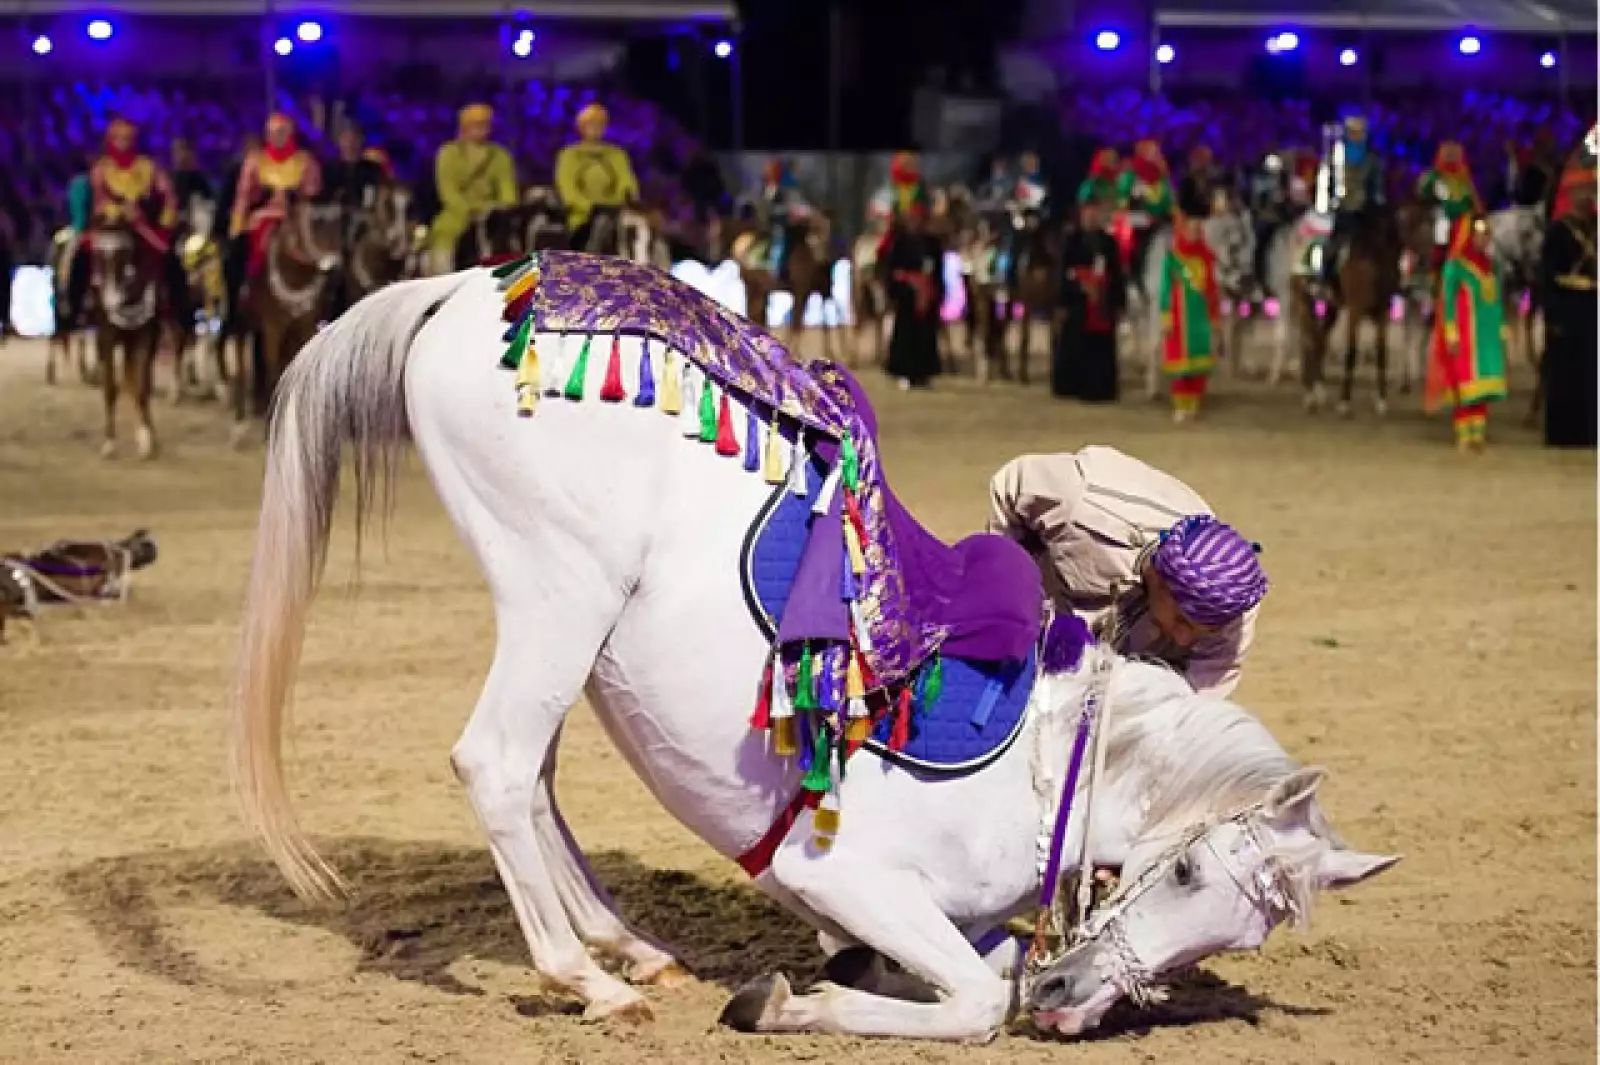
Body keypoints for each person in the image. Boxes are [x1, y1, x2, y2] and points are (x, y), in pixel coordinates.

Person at [987, 446, 1268, 697]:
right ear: (1160, 578)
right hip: (1049, 614)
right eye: (1182, 620)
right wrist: (1013, 595)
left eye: (1203, 632)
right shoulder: (1084, 504)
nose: (1184, 639)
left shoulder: (1230, 607)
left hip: (1128, 663)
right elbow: (1011, 484)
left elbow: (1199, 697)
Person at [1424, 214, 1507, 452]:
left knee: (1483, 386)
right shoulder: (1455, 267)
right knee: (1464, 383)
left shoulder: (1490, 266)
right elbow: (1448, 300)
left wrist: (1501, 325)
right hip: (1465, 334)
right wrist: (1450, 332)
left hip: (1486, 335)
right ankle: (1464, 434)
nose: (1483, 241)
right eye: (1479, 236)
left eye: (1486, 236)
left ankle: (1479, 434)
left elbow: (1496, 298)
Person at [1540, 128, 1597, 448]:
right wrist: (1553, 317)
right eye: (1582, 193)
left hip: (1591, 307)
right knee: (1565, 377)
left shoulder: (1594, 230)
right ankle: (1564, 434)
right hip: (1567, 308)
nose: (1586, 198)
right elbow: (1548, 277)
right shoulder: (1558, 232)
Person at [89, 118, 181, 311]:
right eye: (119, 138)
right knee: (79, 257)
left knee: (172, 261)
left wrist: (164, 224)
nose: (124, 143)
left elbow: (168, 198)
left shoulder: (148, 167)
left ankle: (177, 311)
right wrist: (118, 212)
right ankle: (77, 307)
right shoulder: (101, 169)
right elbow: (99, 201)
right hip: (111, 227)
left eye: (128, 138)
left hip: (146, 229)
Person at [229, 112, 323, 282]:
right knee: (241, 251)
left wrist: (295, 197)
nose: (276, 137)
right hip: (263, 216)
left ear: (290, 133)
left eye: (281, 132)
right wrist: (236, 226)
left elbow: (312, 192)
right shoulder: (256, 161)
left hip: (296, 215)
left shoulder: (305, 161)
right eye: (272, 133)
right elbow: (243, 196)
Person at [430, 103, 518, 273]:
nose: (482, 128)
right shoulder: (449, 153)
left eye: (486, 123)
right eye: (477, 124)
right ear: (464, 126)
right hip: (458, 214)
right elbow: (448, 192)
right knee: (445, 241)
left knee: (513, 243)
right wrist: (470, 210)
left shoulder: (500, 155)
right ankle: (442, 279)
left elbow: (508, 191)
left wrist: (501, 206)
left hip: (491, 214)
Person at [1052, 197, 1125, 402]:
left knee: (1101, 347)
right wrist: (1075, 288)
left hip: (1102, 300)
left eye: (1095, 214)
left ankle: (1101, 388)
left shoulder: (1109, 242)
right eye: (1088, 214)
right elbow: (1063, 271)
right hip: (1078, 301)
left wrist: (1118, 301)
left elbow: (1117, 274)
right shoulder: (1071, 240)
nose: (1092, 218)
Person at [1159, 211, 1222, 423]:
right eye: (1190, 230)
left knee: (1199, 364)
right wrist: (1166, 315)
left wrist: (1214, 318)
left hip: (1201, 318)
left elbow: (1212, 290)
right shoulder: (1173, 258)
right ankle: (1180, 404)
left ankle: (1194, 402)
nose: (1194, 234)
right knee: (1181, 364)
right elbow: (1165, 288)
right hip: (1180, 318)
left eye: (1197, 230)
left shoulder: (1207, 257)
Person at [554, 102, 640, 253]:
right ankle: (591, 259)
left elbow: (626, 181)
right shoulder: (569, 155)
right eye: (591, 124)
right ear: (581, 126)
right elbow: (567, 188)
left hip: (615, 212)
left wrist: (626, 197)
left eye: (600, 124)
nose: (595, 128)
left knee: (635, 226)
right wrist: (590, 207)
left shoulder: (617, 155)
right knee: (601, 221)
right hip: (582, 216)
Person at [882, 193, 943, 389]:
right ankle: (905, 372)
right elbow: (893, 269)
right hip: (907, 294)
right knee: (906, 333)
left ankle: (925, 373)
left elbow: (938, 270)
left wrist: (934, 290)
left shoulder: (932, 243)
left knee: (926, 334)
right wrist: (903, 285)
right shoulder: (900, 242)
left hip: (927, 293)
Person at [1322, 115, 1387, 288]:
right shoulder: (1336, 155)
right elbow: (1327, 180)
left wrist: (1376, 200)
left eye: (1360, 132)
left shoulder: (1372, 159)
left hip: (1366, 210)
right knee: (1332, 247)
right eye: (1354, 132)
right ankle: (1326, 281)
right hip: (1342, 209)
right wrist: (1330, 201)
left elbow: (1376, 184)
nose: (1357, 135)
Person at [1415, 141, 1482, 270]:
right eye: (1448, 154)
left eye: (1454, 154)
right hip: (1444, 213)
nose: (1451, 158)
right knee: (1442, 226)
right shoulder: (1435, 176)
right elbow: (1422, 190)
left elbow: (1474, 197)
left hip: (1464, 215)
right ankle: (1439, 259)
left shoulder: (1464, 177)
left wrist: (1478, 211)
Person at [1117, 139, 1174, 282]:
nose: (1155, 153)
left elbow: (1168, 201)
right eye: (1150, 150)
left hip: (1161, 224)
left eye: (1156, 150)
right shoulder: (1130, 175)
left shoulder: (1162, 177)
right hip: (1138, 224)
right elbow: (1122, 203)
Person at [323, 122, 388, 213]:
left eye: (354, 138)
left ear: (361, 140)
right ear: (339, 141)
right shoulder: (328, 170)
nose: (350, 143)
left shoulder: (372, 169)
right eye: (346, 139)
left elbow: (381, 193)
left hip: (367, 217)